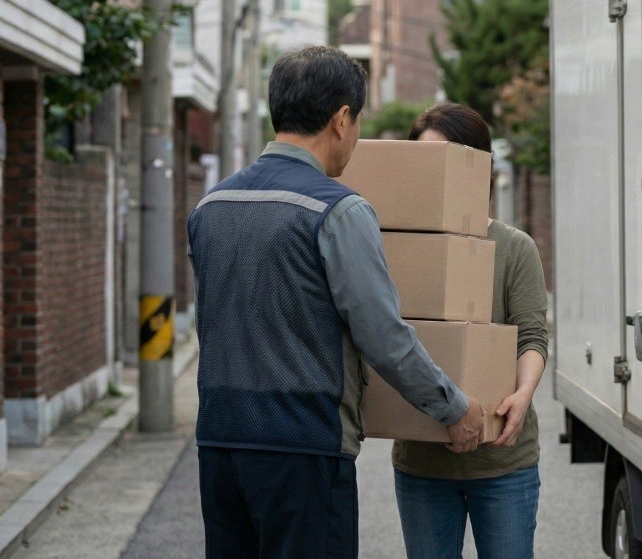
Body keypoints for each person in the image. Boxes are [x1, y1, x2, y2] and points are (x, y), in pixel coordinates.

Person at [187, 48, 484, 558]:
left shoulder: (210, 206)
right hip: (304, 446)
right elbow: (383, 336)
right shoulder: (338, 210)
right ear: (342, 118)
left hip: (219, 442)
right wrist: (453, 407)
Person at [392, 102, 550, 559]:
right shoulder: (401, 247)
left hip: (502, 462)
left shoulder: (514, 248)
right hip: (423, 461)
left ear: (479, 167)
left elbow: (531, 337)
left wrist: (523, 394)